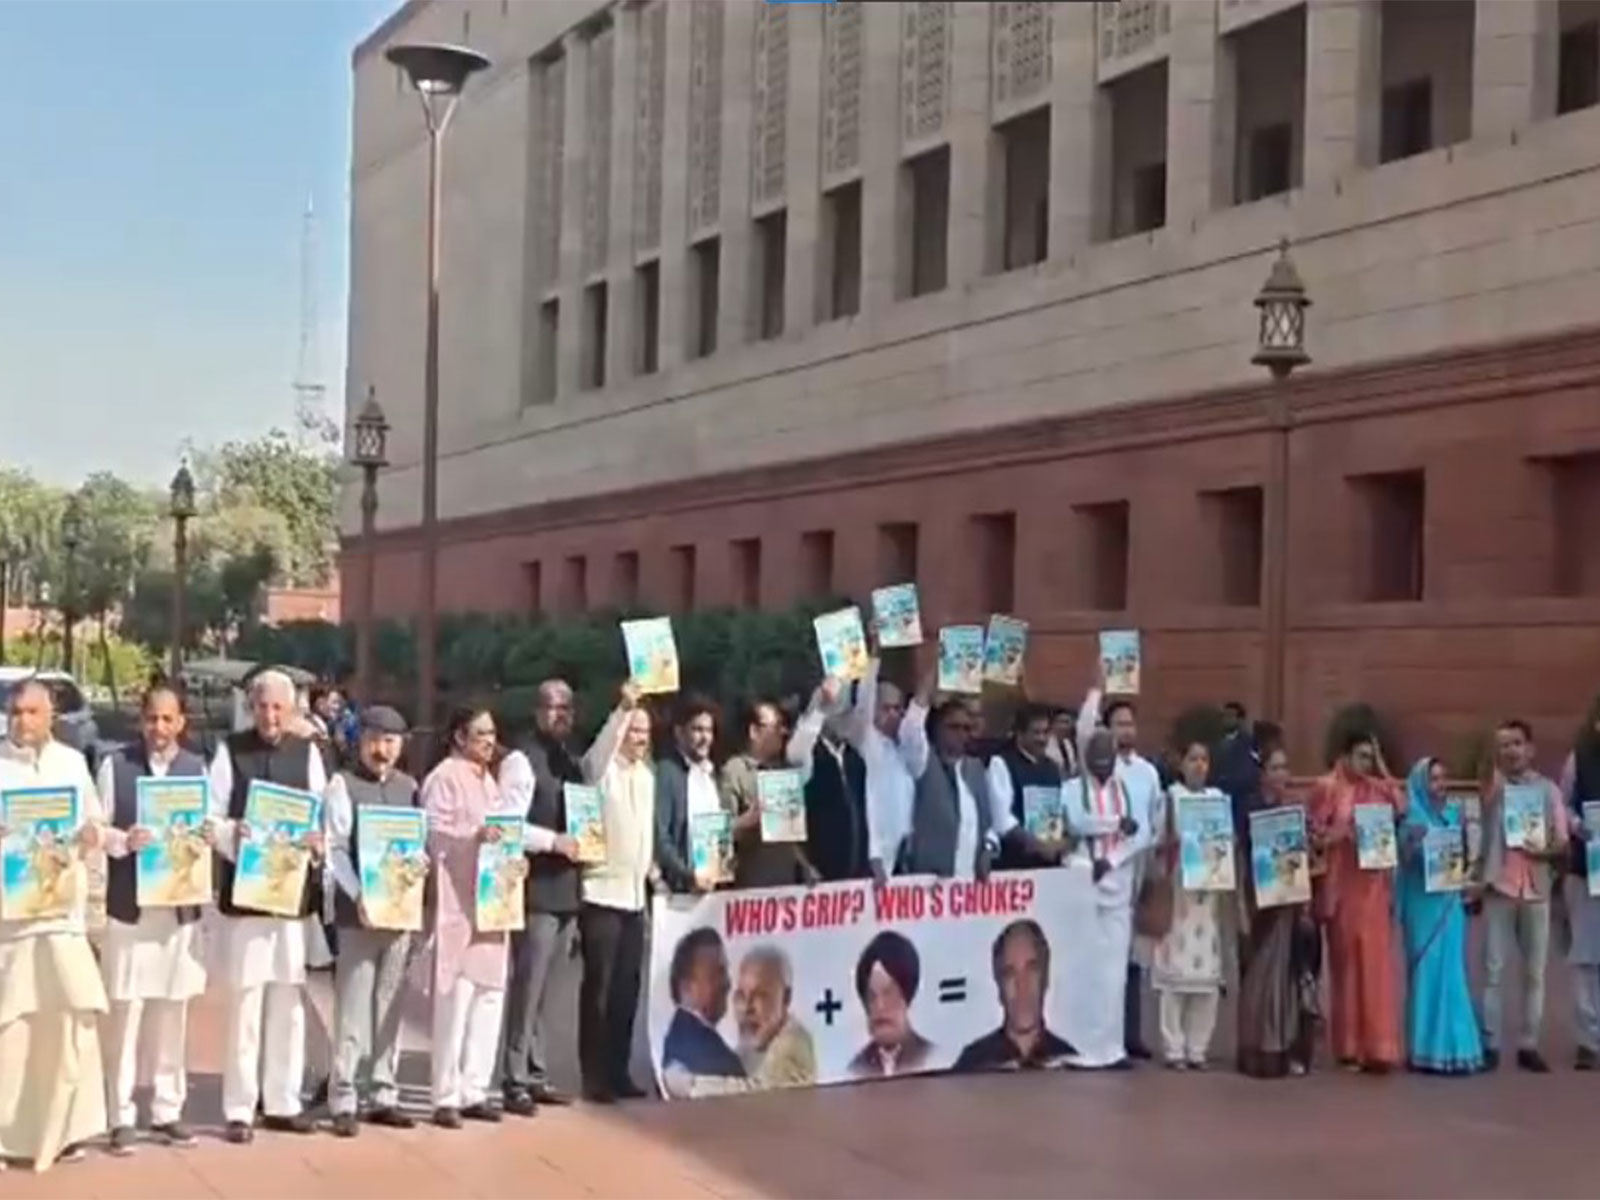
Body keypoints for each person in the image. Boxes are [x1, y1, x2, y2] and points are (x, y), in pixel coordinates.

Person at [207, 669, 327, 1143]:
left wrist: (317, 842)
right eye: (262, 706)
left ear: (292, 710)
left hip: (291, 899)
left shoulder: (308, 753)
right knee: (245, 1002)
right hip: (247, 898)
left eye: (279, 707)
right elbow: (211, 817)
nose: (271, 716)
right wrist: (232, 834)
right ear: (251, 707)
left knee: (288, 1001)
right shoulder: (230, 751)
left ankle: (283, 1101)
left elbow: (322, 816)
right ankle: (240, 1107)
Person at [0, 679, 107, 1171]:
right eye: (16, 712)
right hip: (11, 921)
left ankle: (65, 1131)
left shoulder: (71, 763)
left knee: (69, 1020)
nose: (23, 721)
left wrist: (90, 834)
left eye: (32, 712)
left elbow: (95, 824)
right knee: (12, 1029)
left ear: (51, 717)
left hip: (63, 915)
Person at [96, 684, 208, 1154]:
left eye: (167, 719)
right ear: (141, 721)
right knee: (125, 1012)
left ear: (181, 722)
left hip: (178, 911)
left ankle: (167, 1110)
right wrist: (124, 840)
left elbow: (211, 825)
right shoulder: (116, 766)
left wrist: (211, 833)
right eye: (151, 719)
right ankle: (119, 1114)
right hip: (130, 909)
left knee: (171, 1011)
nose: (159, 728)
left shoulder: (197, 769)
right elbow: (97, 828)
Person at [423, 706, 541, 1128]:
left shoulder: (491, 782)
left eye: (492, 734)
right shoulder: (443, 777)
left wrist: (514, 860)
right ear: (459, 736)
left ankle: (475, 1089)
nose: (489, 742)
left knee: (488, 998)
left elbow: (507, 834)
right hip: (457, 904)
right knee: (455, 1002)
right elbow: (432, 834)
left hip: (493, 905)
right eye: (480, 734)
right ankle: (446, 1095)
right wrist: (473, 838)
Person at [323, 705, 425, 1137]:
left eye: (389, 741)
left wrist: (418, 865)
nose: (381, 750)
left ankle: (383, 1091)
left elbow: (417, 844)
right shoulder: (342, 785)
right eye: (373, 741)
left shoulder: (409, 788)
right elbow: (335, 848)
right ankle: (344, 1095)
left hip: (399, 914)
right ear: (360, 742)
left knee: (390, 1005)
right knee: (353, 1005)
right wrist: (357, 894)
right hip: (358, 915)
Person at [496, 679, 585, 1112]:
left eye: (567, 707)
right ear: (537, 711)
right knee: (528, 987)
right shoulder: (520, 760)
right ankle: (513, 1076)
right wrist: (553, 842)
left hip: (567, 890)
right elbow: (507, 825)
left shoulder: (570, 760)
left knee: (549, 990)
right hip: (535, 890)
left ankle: (536, 1071)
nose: (561, 714)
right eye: (553, 707)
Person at [1308, 729, 1403, 1073]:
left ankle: (1378, 1046)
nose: (1366, 764)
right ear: (1345, 756)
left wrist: (1382, 767)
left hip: (1374, 886)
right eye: (1361, 756)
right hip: (1342, 886)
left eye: (1370, 757)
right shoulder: (1327, 787)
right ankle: (1348, 1045)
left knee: (1376, 966)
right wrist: (1339, 836)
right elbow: (1313, 834)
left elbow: (1402, 805)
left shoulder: (1377, 789)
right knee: (1347, 966)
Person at [1075, 677, 1160, 1062]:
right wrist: (1095, 688)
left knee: (1132, 957)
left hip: (1134, 866)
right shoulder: (1094, 770)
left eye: (1130, 724)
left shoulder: (1147, 772)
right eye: (1119, 724)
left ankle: (1128, 1035)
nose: (1126, 730)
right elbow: (1084, 729)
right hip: (1097, 871)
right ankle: (1098, 1038)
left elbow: (1150, 823)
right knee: (1101, 959)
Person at [1476, 718, 1567, 1072]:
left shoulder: (1548, 791)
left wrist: (1542, 850)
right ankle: (1491, 1044)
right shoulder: (1493, 790)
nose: (1511, 751)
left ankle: (1529, 1044)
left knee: (1534, 973)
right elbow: (1481, 826)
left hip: (1536, 887)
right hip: (1500, 886)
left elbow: (1561, 840)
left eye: (1516, 743)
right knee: (1493, 970)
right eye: (1504, 745)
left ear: (1530, 749)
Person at [580, 682, 655, 1103]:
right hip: (602, 893)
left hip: (635, 897)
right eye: (633, 730)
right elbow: (596, 755)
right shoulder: (603, 772)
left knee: (627, 990)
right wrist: (624, 707)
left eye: (645, 732)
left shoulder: (647, 777)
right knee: (600, 990)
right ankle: (594, 1075)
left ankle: (618, 1069)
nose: (639, 739)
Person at [1061, 728, 1144, 1069]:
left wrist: (1110, 860)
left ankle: (1111, 1048)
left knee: (1114, 973)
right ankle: (1082, 1047)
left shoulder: (1126, 788)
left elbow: (1139, 834)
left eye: (1108, 756)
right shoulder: (1071, 789)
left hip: (1118, 881)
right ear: (1086, 757)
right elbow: (1075, 823)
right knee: (1085, 969)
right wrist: (1116, 824)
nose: (1103, 763)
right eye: (1096, 756)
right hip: (1084, 883)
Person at [1236, 744, 1319, 1079]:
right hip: (1259, 901)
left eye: (1285, 768)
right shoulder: (1250, 809)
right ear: (1263, 774)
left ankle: (1281, 1045)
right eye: (1275, 768)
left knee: (1285, 977)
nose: (1281, 774)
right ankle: (1255, 1046)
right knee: (1258, 976)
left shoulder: (1294, 811)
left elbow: (1306, 859)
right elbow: (1242, 856)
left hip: (1288, 901)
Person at [1396, 757, 1483, 1075]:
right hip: (1422, 906)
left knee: (1452, 973)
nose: (1440, 785)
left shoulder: (1453, 815)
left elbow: (1465, 857)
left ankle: (1458, 1048)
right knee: (1426, 974)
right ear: (1420, 783)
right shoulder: (1411, 820)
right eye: (1433, 779)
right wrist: (1412, 842)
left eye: (1443, 778)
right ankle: (1424, 1049)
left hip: (1449, 904)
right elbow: (1403, 862)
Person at [1151, 741, 1225, 1070]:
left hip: (1207, 898)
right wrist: (1177, 844)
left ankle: (1198, 1048)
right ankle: (1174, 1047)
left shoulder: (1217, 800)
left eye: (1204, 759)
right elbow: (1155, 843)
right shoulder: (1170, 799)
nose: (1199, 765)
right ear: (1181, 764)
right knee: (1175, 979)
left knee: (1206, 981)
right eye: (1193, 758)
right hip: (1178, 894)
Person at [900, 674, 1000, 879]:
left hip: (970, 881)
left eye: (966, 728)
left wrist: (988, 849)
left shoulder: (976, 769)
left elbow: (990, 824)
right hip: (929, 883)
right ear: (937, 728)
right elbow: (911, 728)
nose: (961, 734)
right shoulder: (923, 761)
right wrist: (931, 676)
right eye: (953, 727)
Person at [723, 694, 822, 888]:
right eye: (776, 727)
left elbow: (786, 834)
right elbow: (719, 835)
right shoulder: (734, 771)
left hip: (784, 886)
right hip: (749, 889)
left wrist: (804, 866)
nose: (783, 732)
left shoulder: (782, 772)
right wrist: (748, 820)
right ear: (754, 731)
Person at [954, 919, 1074, 1071]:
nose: (1022, 986)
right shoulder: (971, 1066)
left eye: (1031, 970)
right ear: (999, 985)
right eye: (1010, 974)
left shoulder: (1069, 1064)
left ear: (1045, 978)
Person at [787, 674, 872, 882]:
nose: (847, 717)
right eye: (842, 710)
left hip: (857, 878)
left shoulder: (855, 757)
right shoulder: (810, 753)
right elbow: (795, 753)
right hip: (819, 880)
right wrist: (821, 707)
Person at [1560, 694, 1600, 1070]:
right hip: (1587, 868)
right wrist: (1577, 826)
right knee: (1586, 957)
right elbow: (1564, 804)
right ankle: (1589, 1040)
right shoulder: (1580, 759)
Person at [660, 927, 745, 1096]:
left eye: (725, 972)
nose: (727, 983)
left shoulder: (683, 1037)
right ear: (686, 987)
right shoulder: (701, 1052)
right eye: (717, 974)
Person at [653, 696, 723, 895]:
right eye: (697, 730)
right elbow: (660, 837)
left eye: (709, 730)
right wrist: (688, 874)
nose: (705, 738)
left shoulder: (710, 774)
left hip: (712, 885)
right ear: (679, 732)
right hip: (677, 891)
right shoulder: (667, 773)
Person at [986, 703, 1070, 870]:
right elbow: (1001, 819)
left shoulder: (1052, 767)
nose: (1042, 739)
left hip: (1049, 863)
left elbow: (1059, 810)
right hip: (1015, 865)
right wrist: (1035, 844)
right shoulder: (1001, 763)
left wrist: (1060, 843)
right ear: (1020, 734)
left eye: (1046, 732)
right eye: (1036, 733)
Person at [854, 655, 913, 882]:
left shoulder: (903, 750)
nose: (893, 715)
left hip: (904, 859)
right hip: (876, 861)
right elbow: (864, 700)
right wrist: (874, 655)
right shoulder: (868, 743)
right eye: (886, 708)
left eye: (898, 709)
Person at [848, 931, 932, 1078]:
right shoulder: (856, 1068)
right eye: (872, 996)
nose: (879, 1006)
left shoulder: (930, 1057)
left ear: (906, 997)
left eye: (888, 993)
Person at [733, 946, 816, 1088]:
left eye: (760, 995)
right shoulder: (748, 1049)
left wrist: (696, 1084)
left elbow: (758, 1094)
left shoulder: (794, 1046)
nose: (746, 1007)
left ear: (786, 998)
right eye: (741, 995)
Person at [1212, 702, 1261, 831]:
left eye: (1230, 716)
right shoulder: (1216, 742)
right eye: (1224, 716)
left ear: (1240, 720)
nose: (1226, 719)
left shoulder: (1248, 742)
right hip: (1220, 797)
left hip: (1240, 799)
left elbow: (1250, 769)